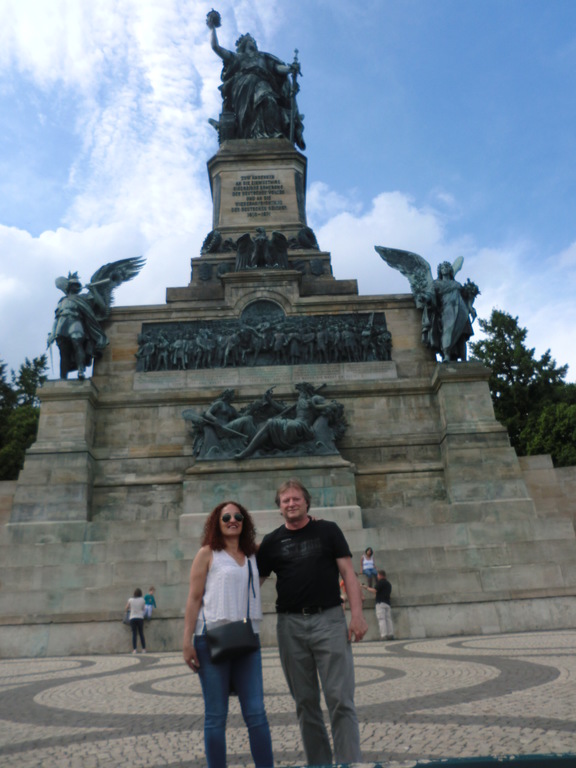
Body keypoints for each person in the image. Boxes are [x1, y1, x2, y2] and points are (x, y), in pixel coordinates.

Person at [257, 479, 368, 766]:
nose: (291, 503)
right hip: (289, 626)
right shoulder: (271, 542)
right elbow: (253, 584)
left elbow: (349, 573)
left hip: (329, 619)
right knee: (305, 703)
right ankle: (319, 764)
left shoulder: (328, 530)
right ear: (279, 507)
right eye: (285, 500)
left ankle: (348, 762)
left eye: (296, 499)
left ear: (307, 503)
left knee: (340, 699)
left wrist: (356, 615)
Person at [183, 501, 274, 768]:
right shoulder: (207, 553)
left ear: (245, 522)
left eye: (238, 516)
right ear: (217, 522)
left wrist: (307, 520)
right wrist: (186, 641)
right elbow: (194, 598)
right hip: (210, 639)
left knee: (257, 714)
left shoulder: (254, 555)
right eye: (226, 517)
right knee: (215, 716)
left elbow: (280, 542)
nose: (232, 520)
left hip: (247, 638)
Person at [207, 14, 305, 149]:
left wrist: (289, 69)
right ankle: (252, 134)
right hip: (243, 87)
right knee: (247, 114)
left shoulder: (263, 57)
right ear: (244, 44)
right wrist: (212, 28)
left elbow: (276, 68)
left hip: (262, 83)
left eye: (254, 41)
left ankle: (269, 134)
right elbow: (215, 47)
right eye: (250, 41)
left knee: (268, 100)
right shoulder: (237, 58)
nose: (253, 43)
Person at [362, 569, 394, 640]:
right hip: (387, 603)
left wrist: (366, 587)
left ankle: (384, 635)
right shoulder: (389, 584)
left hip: (380, 603)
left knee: (382, 619)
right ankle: (390, 634)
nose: (377, 576)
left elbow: (375, 590)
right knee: (388, 619)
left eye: (378, 575)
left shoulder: (380, 583)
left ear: (380, 575)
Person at [125, 588, 147, 654]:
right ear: (140, 593)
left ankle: (134, 649)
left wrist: (130, 609)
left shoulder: (130, 600)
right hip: (140, 618)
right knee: (141, 633)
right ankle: (144, 649)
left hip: (132, 618)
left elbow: (126, 608)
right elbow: (144, 609)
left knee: (134, 634)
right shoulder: (142, 600)